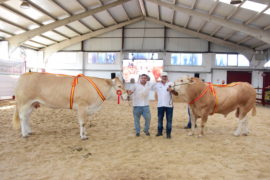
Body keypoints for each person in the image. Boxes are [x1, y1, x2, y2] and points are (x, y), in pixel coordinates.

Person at [154, 72, 178, 139]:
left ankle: (168, 134)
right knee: (159, 119)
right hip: (160, 105)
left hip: (169, 106)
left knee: (169, 120)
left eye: (165, 76)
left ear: (167, 77)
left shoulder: (171, 84)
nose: (164, 77)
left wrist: (171, 90)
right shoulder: (157, 84)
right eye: (163, 76)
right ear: (161, 77)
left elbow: (176, 94)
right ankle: (159, 132)